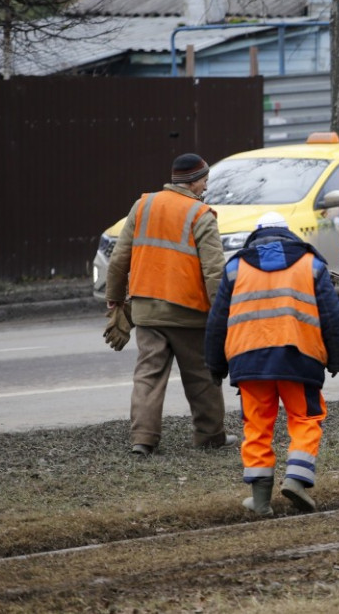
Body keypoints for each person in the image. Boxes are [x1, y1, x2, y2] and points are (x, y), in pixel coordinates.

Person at [205, 212, 339, 515]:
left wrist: (216, 365)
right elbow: (333, 317)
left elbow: (217, 321)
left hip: (249, 361)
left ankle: (259, 501)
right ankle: (296, 480)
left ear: (255, 236)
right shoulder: (311, 264)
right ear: (290, 235)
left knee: (256, 426)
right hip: (300, 358)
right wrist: (337, 359)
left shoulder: (235, 267)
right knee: (305, 420)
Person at [105, 153, 235, 456]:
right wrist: (220, 314)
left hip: (147, 310)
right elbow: (214, 271)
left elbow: (119, 258)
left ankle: (143, 440)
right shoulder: (201, 214)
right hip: (189, 312)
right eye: (204, 179)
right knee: (202, 375)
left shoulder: (143, 206)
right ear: (193, 182)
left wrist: (114, 299)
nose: (205, 186)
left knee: (148, 375)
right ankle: (209, 435)